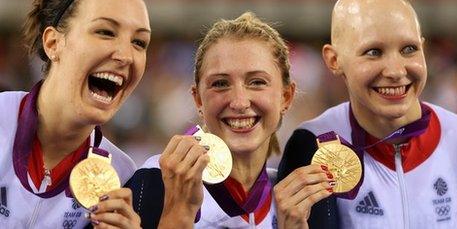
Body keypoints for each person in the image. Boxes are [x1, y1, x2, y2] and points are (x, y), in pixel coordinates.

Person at [277, 0, 457, 228]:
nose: (396, 71)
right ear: (334, 60)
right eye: (373, 52)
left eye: (409, 49)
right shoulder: (311, 144)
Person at [126, 12, 335, 228]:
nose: (239, 102)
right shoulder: (156, 181)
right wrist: (177, 215)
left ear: (286, 97)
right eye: (220, 84)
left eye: (256, 82)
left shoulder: (302, 202)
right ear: (198, 99)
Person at [0, 0, 151, 228]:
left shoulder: (122, 178)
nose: (126, 55)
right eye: (105, 32)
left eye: (139, 42)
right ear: (53, 43)